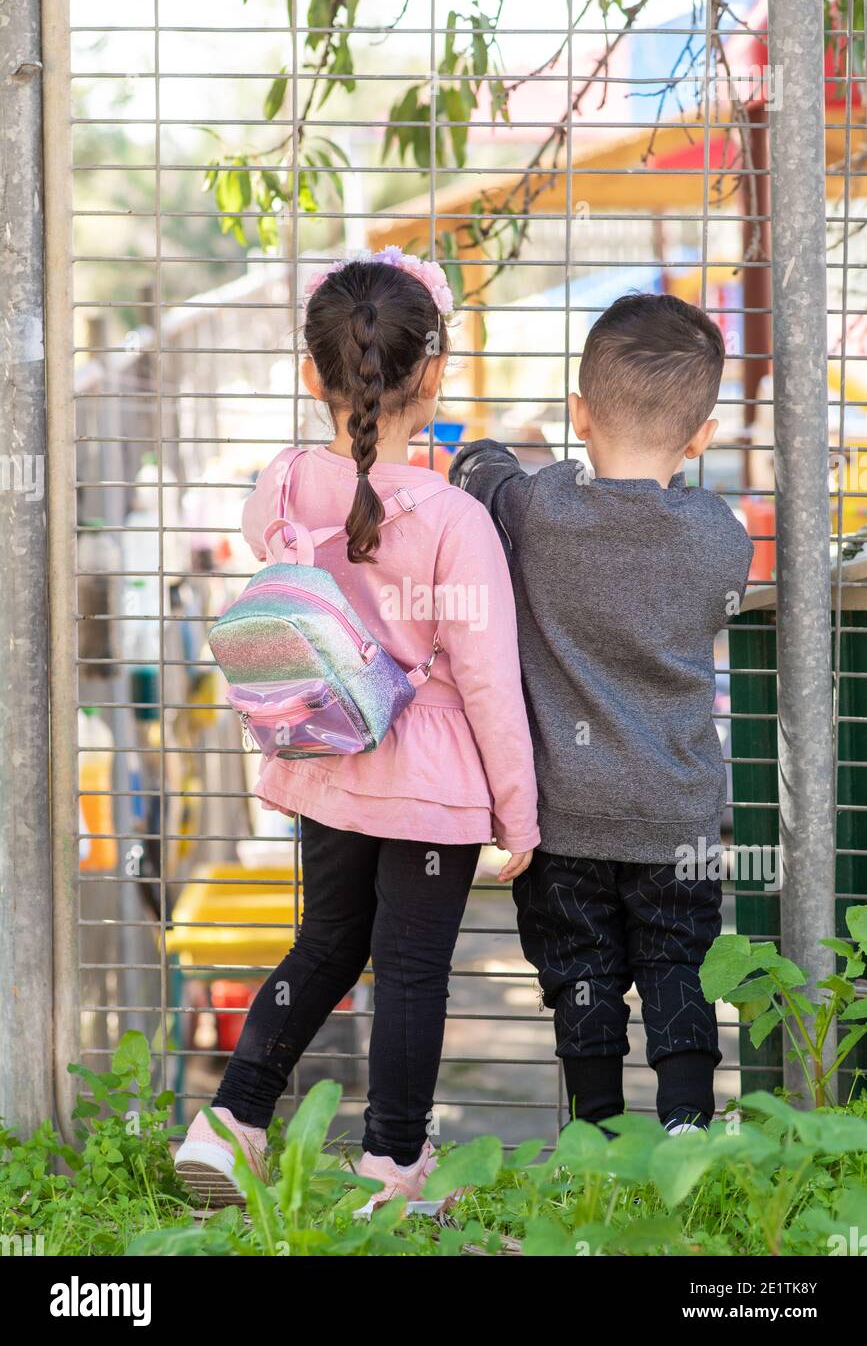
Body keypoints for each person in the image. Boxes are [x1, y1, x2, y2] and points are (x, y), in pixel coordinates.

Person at [175, 249, 539, 1212]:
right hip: (431, 789)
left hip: (325, 761)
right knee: (412, 973)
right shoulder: (457, 519)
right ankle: (391, 1167)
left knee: (325, 943)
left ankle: (232, 1123)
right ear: (433, 377)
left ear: (312, 375)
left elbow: (286, 543)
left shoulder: (286, 486)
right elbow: (490, 683)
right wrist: (519, 815)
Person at [450, 292, 754, 1136]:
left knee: (580, 969)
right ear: (700, 436)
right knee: (675, 964)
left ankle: (596, 1135)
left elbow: (481, 472)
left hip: (566, 814)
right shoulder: (719, 536)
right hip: (676, 812)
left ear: (577, 414)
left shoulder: (538, 508)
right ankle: (688, 1126)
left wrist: (482, 451)